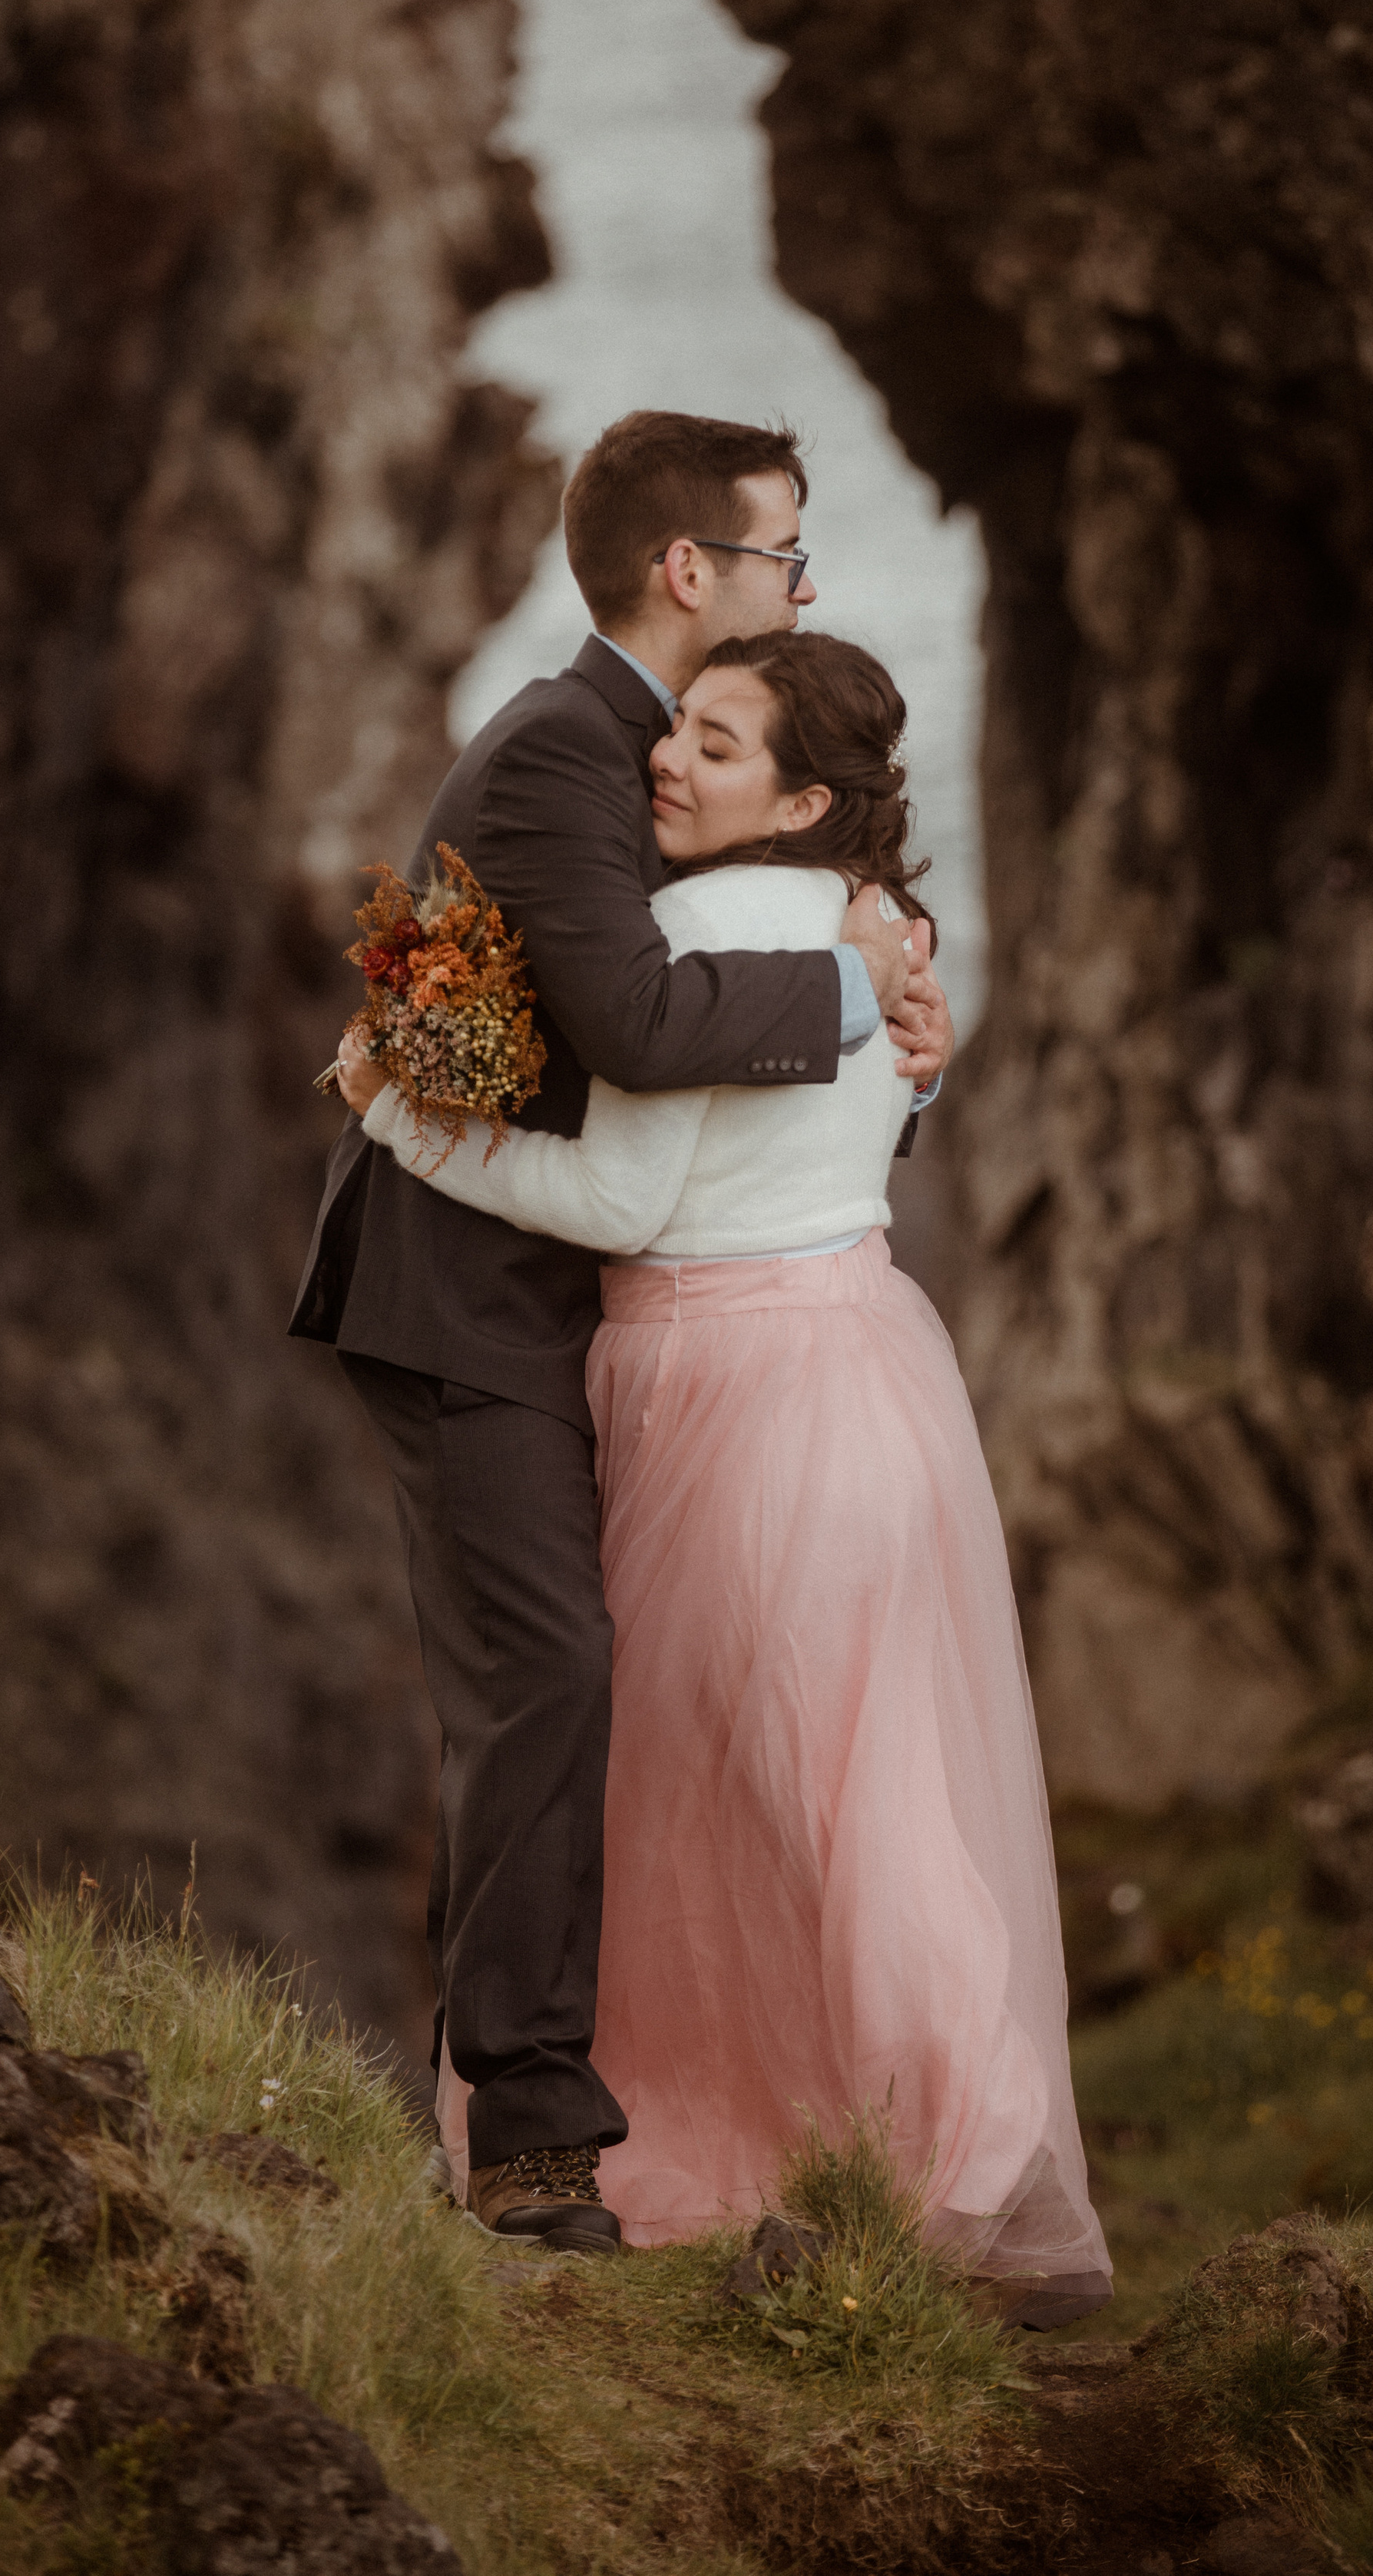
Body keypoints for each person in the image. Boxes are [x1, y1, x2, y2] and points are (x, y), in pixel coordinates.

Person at [338, 629, 1110, 2323]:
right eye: (675, 725)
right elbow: (863, 1123)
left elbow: (620, 1211)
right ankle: (952, 2151)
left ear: (803, 795)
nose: (663, 762)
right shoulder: (888, 927)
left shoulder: (693, 931)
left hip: (726, 1395)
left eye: (713, 743)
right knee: (860, 1779)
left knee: (719, 1790)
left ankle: (918, 2158)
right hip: (868, 1367)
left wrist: (396, 1105)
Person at [291, 412, 954, 2258]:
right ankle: (523, 2143)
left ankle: (754, 2107)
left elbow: (709, 1063)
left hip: (599, 1305)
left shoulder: (652, 769)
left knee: (631, 1699)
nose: (794, 586)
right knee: (549, 1684)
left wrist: (891, 1036)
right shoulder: (549, 762)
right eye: (783, 558)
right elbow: (653, 1027)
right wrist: (859, 978)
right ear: (694, 572)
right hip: (468, 1308)